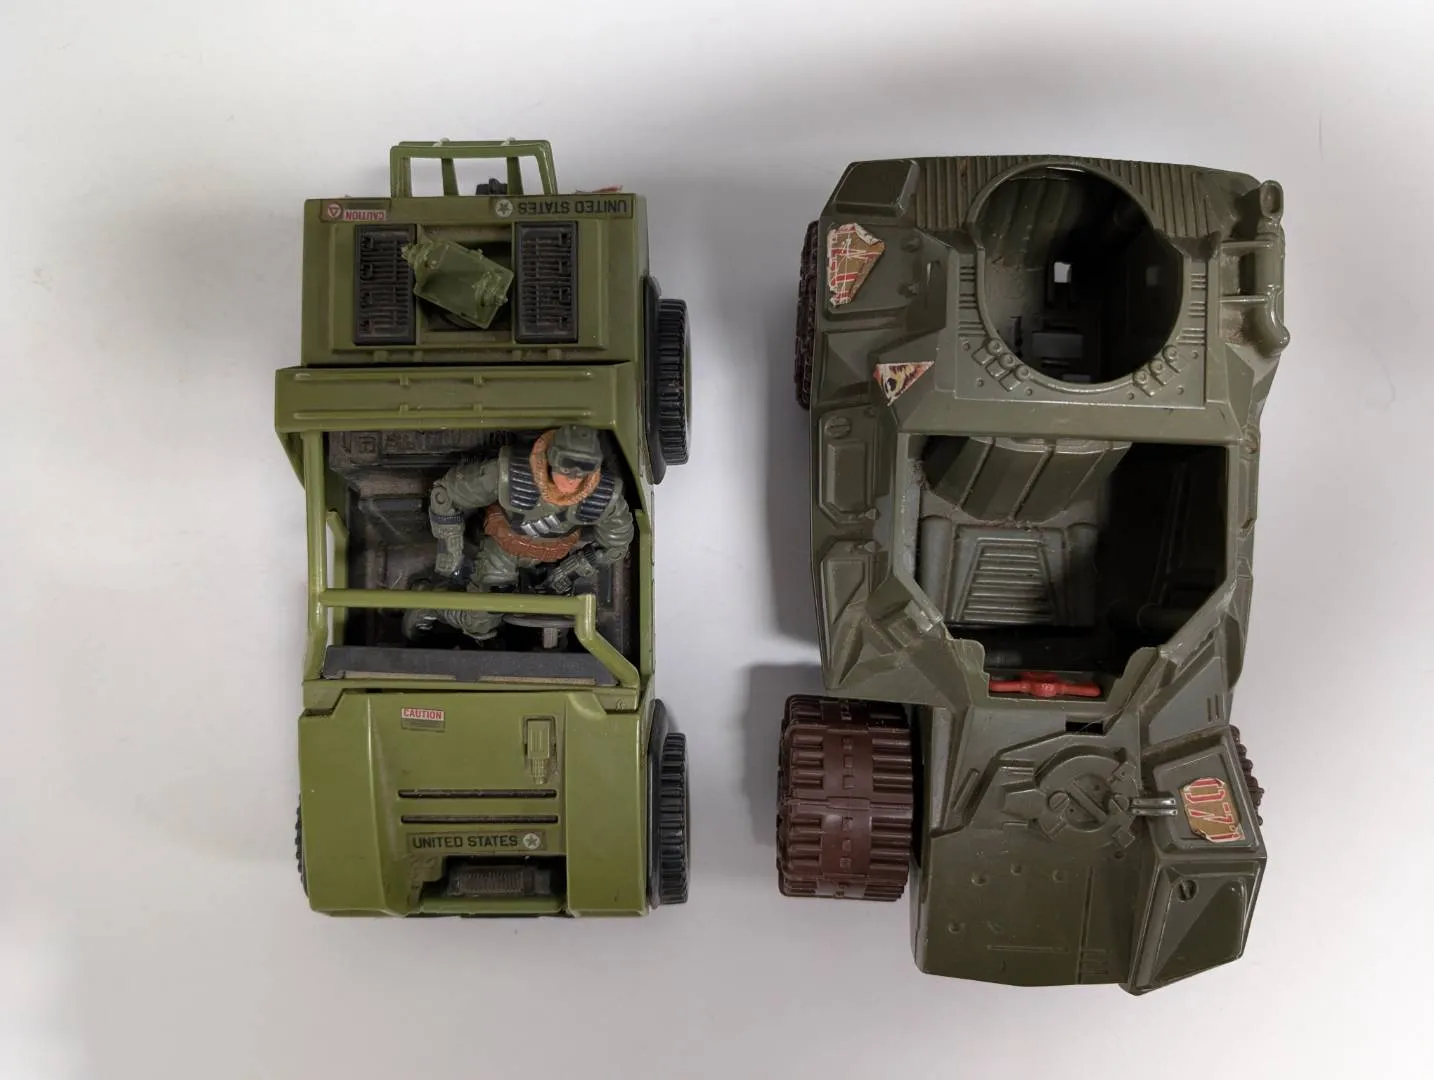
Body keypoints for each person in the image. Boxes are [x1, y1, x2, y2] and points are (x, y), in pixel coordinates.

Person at [402, 425, 633, 644]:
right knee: (479, 621)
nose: (573, 478)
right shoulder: (512, 474)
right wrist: (450, 552)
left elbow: (617, 543)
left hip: (556, 558)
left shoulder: (603, 496)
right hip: (503, 550)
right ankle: (429, 602)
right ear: (552, 457)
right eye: (567, 466)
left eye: (583, 469)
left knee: (563, 618)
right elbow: (446, 495)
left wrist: (571, 569)